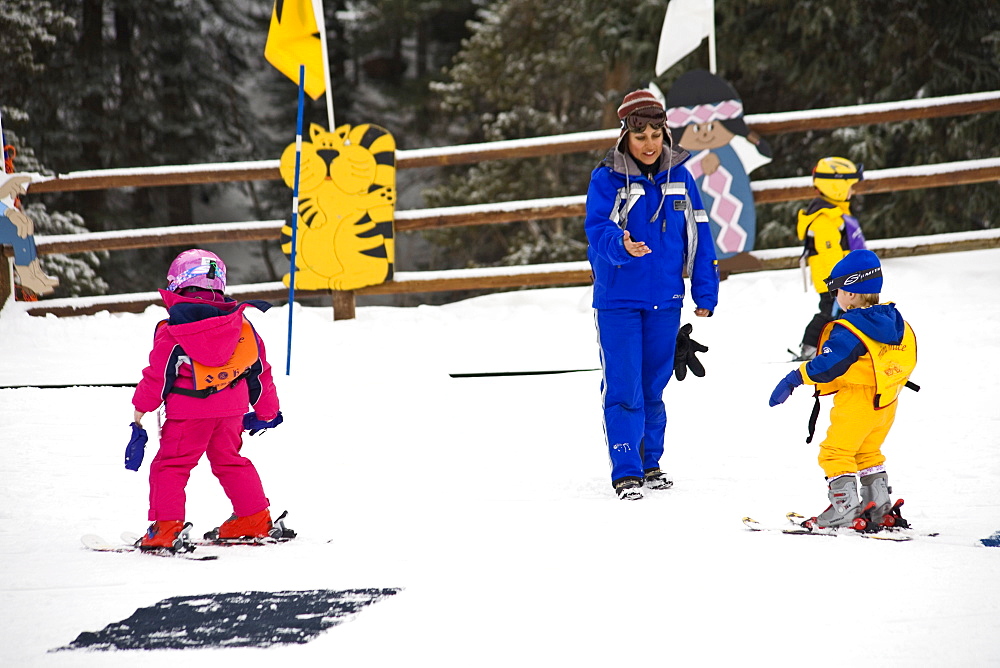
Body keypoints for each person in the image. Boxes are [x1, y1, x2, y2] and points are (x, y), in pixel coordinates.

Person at [585, 89, 720, 501]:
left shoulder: (681, 177)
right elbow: (598, 231)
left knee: (654, 385)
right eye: (640, 136)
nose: (648, 144)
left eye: (656, 135)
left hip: (665, 300)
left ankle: (650, 461)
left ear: (665, 134)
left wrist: (704, 289)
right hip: (618, 301)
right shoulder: (607, 178)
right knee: (624, 385)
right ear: (625, 134)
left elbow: (698, 233)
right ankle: (626, 468)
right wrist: (621, 247)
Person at [131, 249, 286, 549]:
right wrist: (268, 411)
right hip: (231, 411)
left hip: (188, 414)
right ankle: (253, 517)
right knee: (230, 460)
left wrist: (141, 409)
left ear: (178, 284)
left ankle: (166, 529)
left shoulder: (173, 330)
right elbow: (259, 371)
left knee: (171, 465)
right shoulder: (241, 326)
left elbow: (158, 375)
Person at [769, 249, 917, 530]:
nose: (834, 296)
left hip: (857, 400)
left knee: (835, 453)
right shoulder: (894, 321)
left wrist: (794, 377)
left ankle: (845, 510)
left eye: (835, 290)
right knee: (868, 451)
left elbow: (829, 364)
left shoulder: (852, 328)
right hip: (886, 400)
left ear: (850, 293)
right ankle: (879, 507)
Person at [792, 157, 866, 361]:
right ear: (837, 187)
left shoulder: (838, 215)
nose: (854, 191)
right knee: (829, 311)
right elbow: (831, 255)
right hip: (832, 280)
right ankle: (809, 348)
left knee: (843, 314)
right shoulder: (825, 219)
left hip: (843, 279)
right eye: (851, 186)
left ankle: (841, 347)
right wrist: (841, 281)